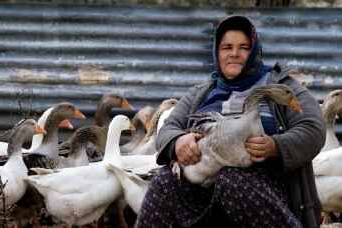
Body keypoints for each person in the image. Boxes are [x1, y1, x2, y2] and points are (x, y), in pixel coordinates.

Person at [136, 15, 326, 228]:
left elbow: (313, 129)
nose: (234, 54)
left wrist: (276, 146)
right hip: (201, 192)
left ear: (255, 51)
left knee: (232, 179)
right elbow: (169, 128)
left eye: (243, 47)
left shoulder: (279, 86)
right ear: (217, 52)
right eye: (227, 47)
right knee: (164, 182)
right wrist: (178, 142)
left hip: (265, 190)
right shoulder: (201, 93)